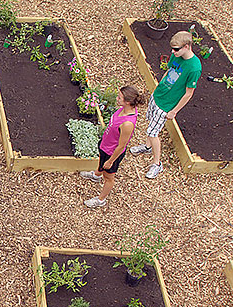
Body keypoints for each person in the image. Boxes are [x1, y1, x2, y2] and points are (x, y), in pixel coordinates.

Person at [129, 30, 201, 179]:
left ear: (187, 46)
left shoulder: (194, 67)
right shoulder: (177, 57)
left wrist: (174, 111)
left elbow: (189, 93)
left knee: (153, 132)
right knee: (150, 124)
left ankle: (157, 164)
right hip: (158, 96)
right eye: (172, 48)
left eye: (176, 49)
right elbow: (168, 72)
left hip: (167, 105)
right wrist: (158, 88)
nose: (172, 52)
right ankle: (147, 147)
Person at [80, 86, 144, 208]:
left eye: (120, 97)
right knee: (101, 163)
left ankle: (101, 200)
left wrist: (110, 161)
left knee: (109, 177)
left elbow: (121, 146)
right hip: (105, 145)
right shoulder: (122, 109)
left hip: (112, 153)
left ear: (128, 102)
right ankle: (96, 175)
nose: (117, 98)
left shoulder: (128, 124)